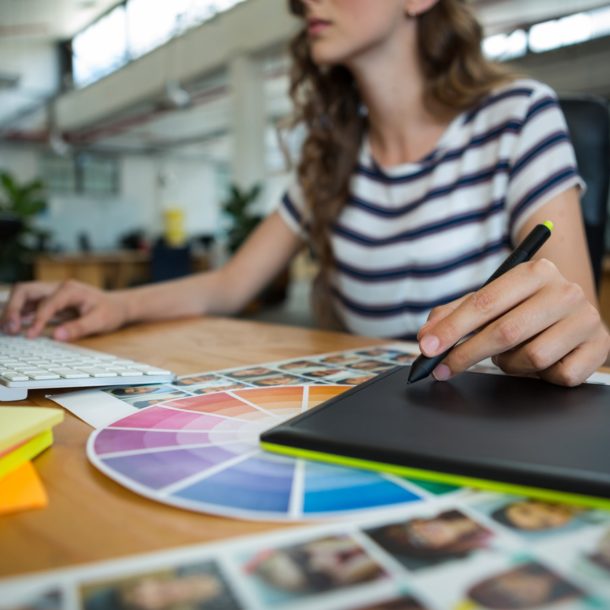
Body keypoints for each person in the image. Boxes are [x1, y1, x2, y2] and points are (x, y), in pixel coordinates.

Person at [2, 0, 609, 387]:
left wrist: (562, 328)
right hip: (370, 409)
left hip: (488, 415)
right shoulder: (333, 153)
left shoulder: (517, 117)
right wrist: (116, 305)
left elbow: (566, 305)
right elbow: (229, 284)